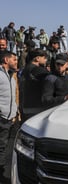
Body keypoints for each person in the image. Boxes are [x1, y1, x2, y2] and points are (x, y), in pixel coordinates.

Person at [0, 51, 18, 183]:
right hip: (2, 119)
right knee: (1, 148)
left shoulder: (11, 75)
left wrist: (15, 112)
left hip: (10, 118)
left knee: (6, 148)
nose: (16, 61)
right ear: (6, 60)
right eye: (14, 59)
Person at [19, 48, 49, 123]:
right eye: (44, 58)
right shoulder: (37, 70)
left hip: (26, 107)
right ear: (37, 58)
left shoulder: (25, 69)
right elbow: (54, 79)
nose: (46, 60)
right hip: (36, 109)